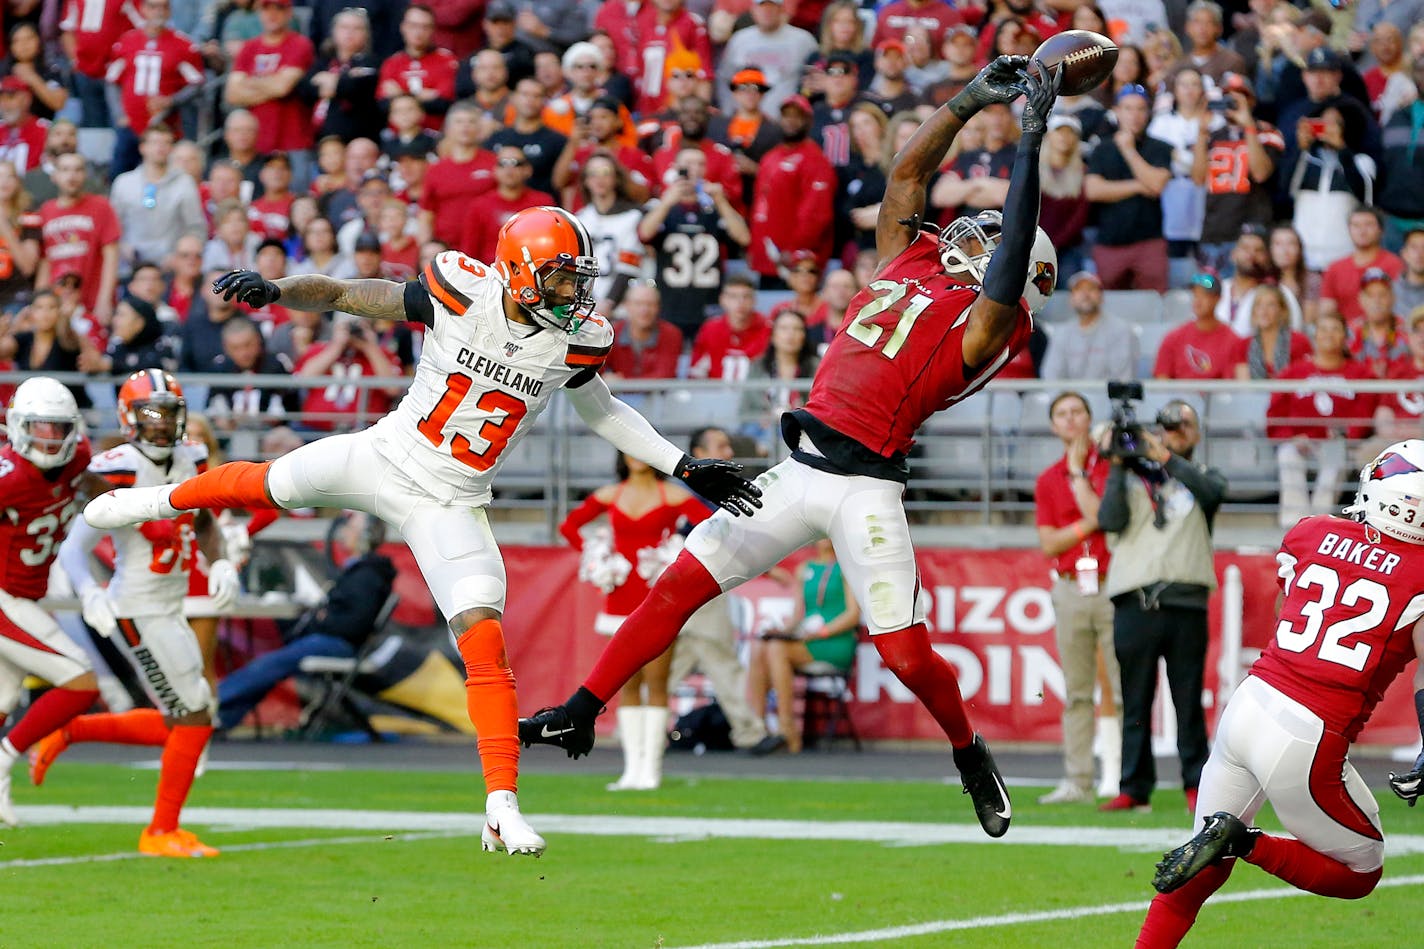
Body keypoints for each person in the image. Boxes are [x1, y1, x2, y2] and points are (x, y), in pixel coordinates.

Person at [83, 206, 763, 858]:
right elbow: (352, 293)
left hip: (453, 499)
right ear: (522, 271)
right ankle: (155, 499)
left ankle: (501, 802)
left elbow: (604, 411)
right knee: (268, 481)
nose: (573, 291)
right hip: (385, 455)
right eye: (561, 276)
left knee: (484, 637)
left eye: (576, 277)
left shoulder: (577, 338)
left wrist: (683, 464)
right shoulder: (462, 289)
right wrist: (279, 289)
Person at [520, 56, 1065, 840]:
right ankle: (580, 710)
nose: (970, 237)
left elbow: (1008, 262)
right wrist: (972, 98)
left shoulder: (996, 325)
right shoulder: (911, 256)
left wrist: (1030, 140)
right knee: (680, 581)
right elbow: (910, 170)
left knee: (909, 657)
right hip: (799, 467)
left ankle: (969, 751)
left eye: (991, 240)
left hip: (867, 485)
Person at [1139, 441, 1424, 947]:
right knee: (1361, 871)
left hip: (1251, 703)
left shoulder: (1314, 532)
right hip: (1308, 733)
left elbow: (1284, 613)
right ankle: (1244, 841)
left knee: (1198, 864)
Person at [41, 370, 237, 858]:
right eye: (150, 412)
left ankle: (72, 730)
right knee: (192, 715)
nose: (160, 422)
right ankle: (160, 831)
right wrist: (89, 591)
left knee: (189, 717)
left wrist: (223, 561)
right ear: (129, 418)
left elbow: (206, 519)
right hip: (135, 607)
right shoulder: (119, 467)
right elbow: (74, 546)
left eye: (168, 412)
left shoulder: (190, 456)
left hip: (171, 603)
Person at [1097, 399, 1225, 813]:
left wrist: (1163, 455)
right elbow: (1110, 520)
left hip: (1185, 599)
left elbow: (1212, 493)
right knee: (1135, 698)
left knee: (1187, 699)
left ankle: (1196, 784)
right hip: (1134, 599)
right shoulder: (1131, 479)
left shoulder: (1203, 475)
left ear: (1197, 435)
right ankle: (1134, 786)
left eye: (1182, 427)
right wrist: (1119, 462)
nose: (1173, 433)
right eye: (1166, 427)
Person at [559, 453, 712, 791]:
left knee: (657, 683)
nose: (635, 457)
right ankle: (631, 771)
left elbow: (713, 527)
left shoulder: (672, 495)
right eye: (628, 450)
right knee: (625, 685)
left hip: (660, 600)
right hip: (619, 600)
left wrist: (682, 560)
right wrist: (597, 559)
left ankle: (652, 770)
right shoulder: (611, 494)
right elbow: (569, 527)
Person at [0, 378, 98, 828]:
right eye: (39, 427)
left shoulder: (78, 457)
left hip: (27, 596)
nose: (48, 438)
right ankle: (4, 760)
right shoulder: (10, 475)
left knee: (4, 698)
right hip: (5, 597)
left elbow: (94, 485)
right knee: (81, 682)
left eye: (58, 428)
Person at [216, 510, 394, 732]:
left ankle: (212, 704)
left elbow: (354, 624)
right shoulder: (361, 570)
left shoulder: (368, 575)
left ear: (365, 536)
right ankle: (222, 718)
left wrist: (324, 619)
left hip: (339, 644)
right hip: (331, 639)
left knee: (272, 663)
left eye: (351, 528)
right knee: (272, 666)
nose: (344, 533)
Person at [1035, 391, 1121, 804]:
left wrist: (1077, 476)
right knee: (1078, 689)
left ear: (1089, 419)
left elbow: (1107, 512)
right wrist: (1089, 525)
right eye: (1061, 414)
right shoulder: (1046, 479)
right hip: (1070, 583)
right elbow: (1049, 543)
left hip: (1111, 582)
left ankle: (1119, 779)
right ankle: (1078, 779)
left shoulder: (1109, 468)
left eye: (1077, 412)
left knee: (1119, 686)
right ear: (1054, 426)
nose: (1070, 420)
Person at [665, 426, 769, 753]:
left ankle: (636, 724)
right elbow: (715, 532)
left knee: (671, 665)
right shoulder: (687, 493)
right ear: (698, 451)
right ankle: (750, 733)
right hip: (698, 584)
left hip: (684, 587)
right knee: (718, 660)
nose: (729, 452)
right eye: (721, 446)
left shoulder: (696, 490)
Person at [747, 538, 860, 756]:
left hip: (832, 640)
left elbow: (853, 615)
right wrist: (782, 631)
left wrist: (822, 632)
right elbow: (798, 615)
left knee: (777, 649)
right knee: (761, 646)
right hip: (809, 637)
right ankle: (758, 728)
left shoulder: (846, 568)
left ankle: (787, 730)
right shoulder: (805, 569)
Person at [1269, 312, 1375, 528]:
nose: (1328, 334)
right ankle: (1294, 524)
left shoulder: (1360, 372)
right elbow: (1275, 413)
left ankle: (1318, 525)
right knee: (1287, 454)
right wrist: (1291, 436)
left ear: (1345, 337)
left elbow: (1365, 412)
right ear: (1314, 335)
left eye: (1335, 329)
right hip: (1300, 441)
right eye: (1323, 329)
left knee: (1334, 460)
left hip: (1336, 442)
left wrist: (1345, 434)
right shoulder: (1294, 371)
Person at [1040, 271, 1138, 381]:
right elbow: (1051, 376)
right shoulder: (1061, 333)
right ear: (1070, 299)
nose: (1085, 294)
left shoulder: (1121, 330)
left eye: (1091, 289)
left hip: (1106, 397)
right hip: (1070, 397)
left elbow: (1122, 379)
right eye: (1079, 290)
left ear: (1101, 297)